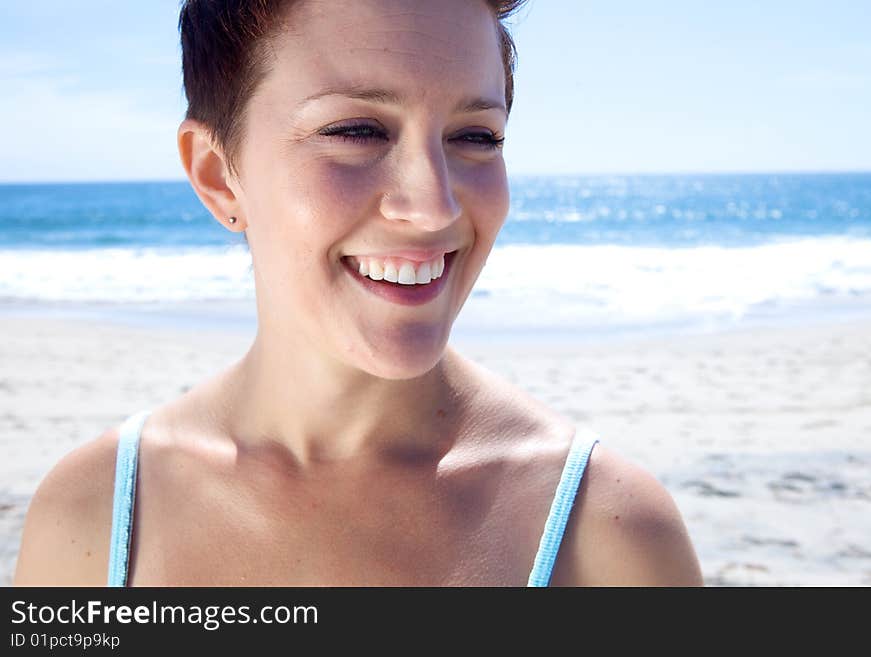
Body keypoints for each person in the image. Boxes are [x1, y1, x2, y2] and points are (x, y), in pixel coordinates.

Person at [14, 0, 702, 587]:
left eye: (476, 136)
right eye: (357, 130)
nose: (432, 205)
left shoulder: (609, 535)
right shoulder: (94, 518)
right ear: (218, 175)